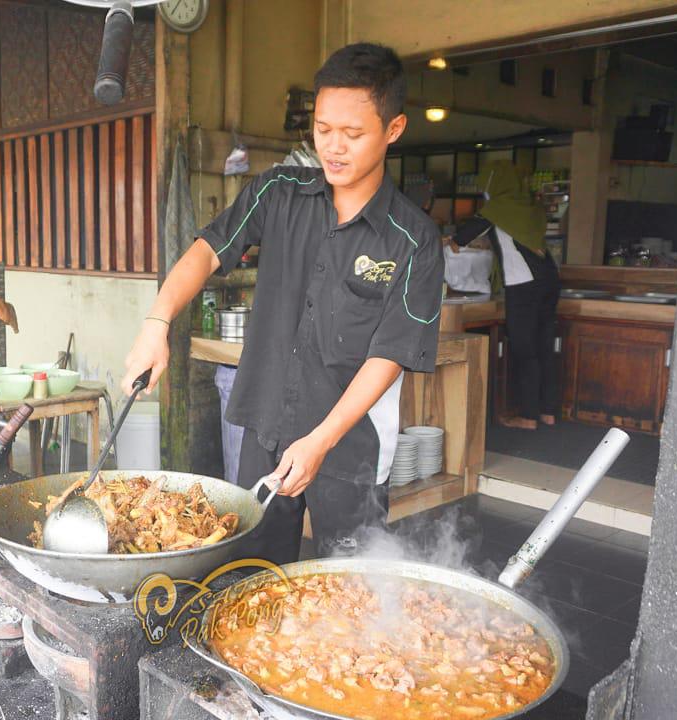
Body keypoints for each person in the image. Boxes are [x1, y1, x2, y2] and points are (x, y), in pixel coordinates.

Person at [122, 43, 445, 566]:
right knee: (255, 576)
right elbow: (206, 253)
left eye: (353, 133)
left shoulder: (413, 239)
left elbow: (390, 355)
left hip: (351, 445)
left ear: (394, 129)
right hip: (266, 426)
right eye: (323, 130)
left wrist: (320, 440)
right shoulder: (278, 191)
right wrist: (156, 323)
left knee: (350, 590)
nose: (334, 147)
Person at [452, 160, 559, 430]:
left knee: (525, 350)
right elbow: (515, 238)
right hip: (548, 279)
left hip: (522, 283)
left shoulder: (497, 208)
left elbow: (462, 237)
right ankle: (547, 411)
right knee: (544, 346)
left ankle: (527, 417)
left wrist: (455, 241)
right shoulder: (529, 206)